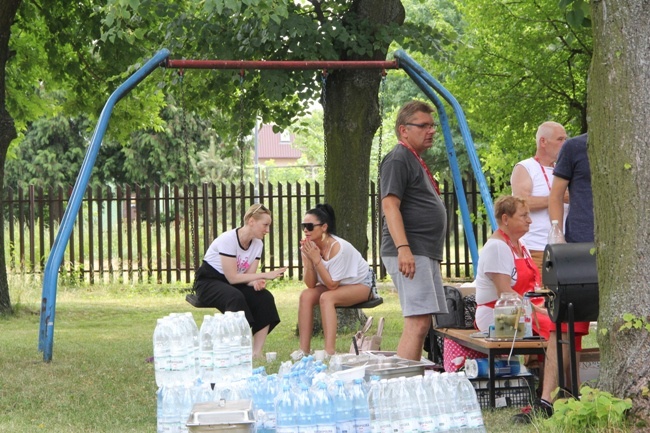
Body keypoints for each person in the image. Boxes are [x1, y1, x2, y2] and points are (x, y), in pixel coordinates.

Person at [474, 196, 560, 422]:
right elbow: (506, 294)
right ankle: (550, 394)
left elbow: (533, 288)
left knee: (561, 322)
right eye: (523, 216)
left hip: (523, 311)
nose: (530, 221)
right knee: (555, 327)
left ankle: (557, 390)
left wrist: (543, 307)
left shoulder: (521, 247)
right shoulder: (497, 247)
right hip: (498, 315)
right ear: (505, 219)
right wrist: (539, 311)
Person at [380, 100, 448, 361]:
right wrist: (404, 249)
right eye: (423, 126)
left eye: (432, 126)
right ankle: (403, 385)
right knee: (417, 321)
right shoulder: (398, 159)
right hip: (410, 251)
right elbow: (389, 205)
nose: (430, 131)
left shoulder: (412, 159)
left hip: (422, 251)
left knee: (423, 321)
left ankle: (409, 377)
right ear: (403, 130)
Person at [193, 203, 287, 359]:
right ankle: (235, 351)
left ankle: (256, 353)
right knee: (235, 297)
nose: (267, 230)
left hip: (233, 284)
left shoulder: (258, 244)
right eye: (265, 225)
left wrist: (256, 282)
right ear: (251, 221)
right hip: (209, 281)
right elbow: (233, 277)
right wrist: (264, 275)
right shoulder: (228, 239)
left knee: (265, 298)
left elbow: (247, 277)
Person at [293, 203, 376, 359]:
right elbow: (311, 284)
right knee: (306, 295)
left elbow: (331, 285)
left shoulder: (339, 248)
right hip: (338, 285)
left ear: (324, 227)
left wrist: (317, 259)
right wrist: (310, 260)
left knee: (327, 297)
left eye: (309, 226)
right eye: (304, 226)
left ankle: (329, 352)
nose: (305, 230)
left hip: (362, 284)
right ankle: (304, 351)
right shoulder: (308, 247)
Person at [510, 121, 569, 272]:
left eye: (565, 139)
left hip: (565, 248)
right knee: (539, 294)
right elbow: (521, 203)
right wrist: (557, 198)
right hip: (536, 248)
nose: (565, 144)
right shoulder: (526, 167)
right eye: (560, 139)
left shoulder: (564, 170)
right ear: (543, 141)